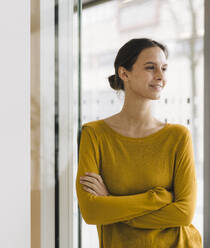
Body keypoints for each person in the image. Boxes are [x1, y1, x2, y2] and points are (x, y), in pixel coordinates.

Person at [76, 38, 202, 248]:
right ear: (124, 73)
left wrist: (110, 201)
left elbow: (184, 214)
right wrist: (158, 199)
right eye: (150, 68)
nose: (160, 76)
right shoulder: (94, 134)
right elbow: (92, 212)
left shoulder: (179, 136)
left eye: (164, 68)